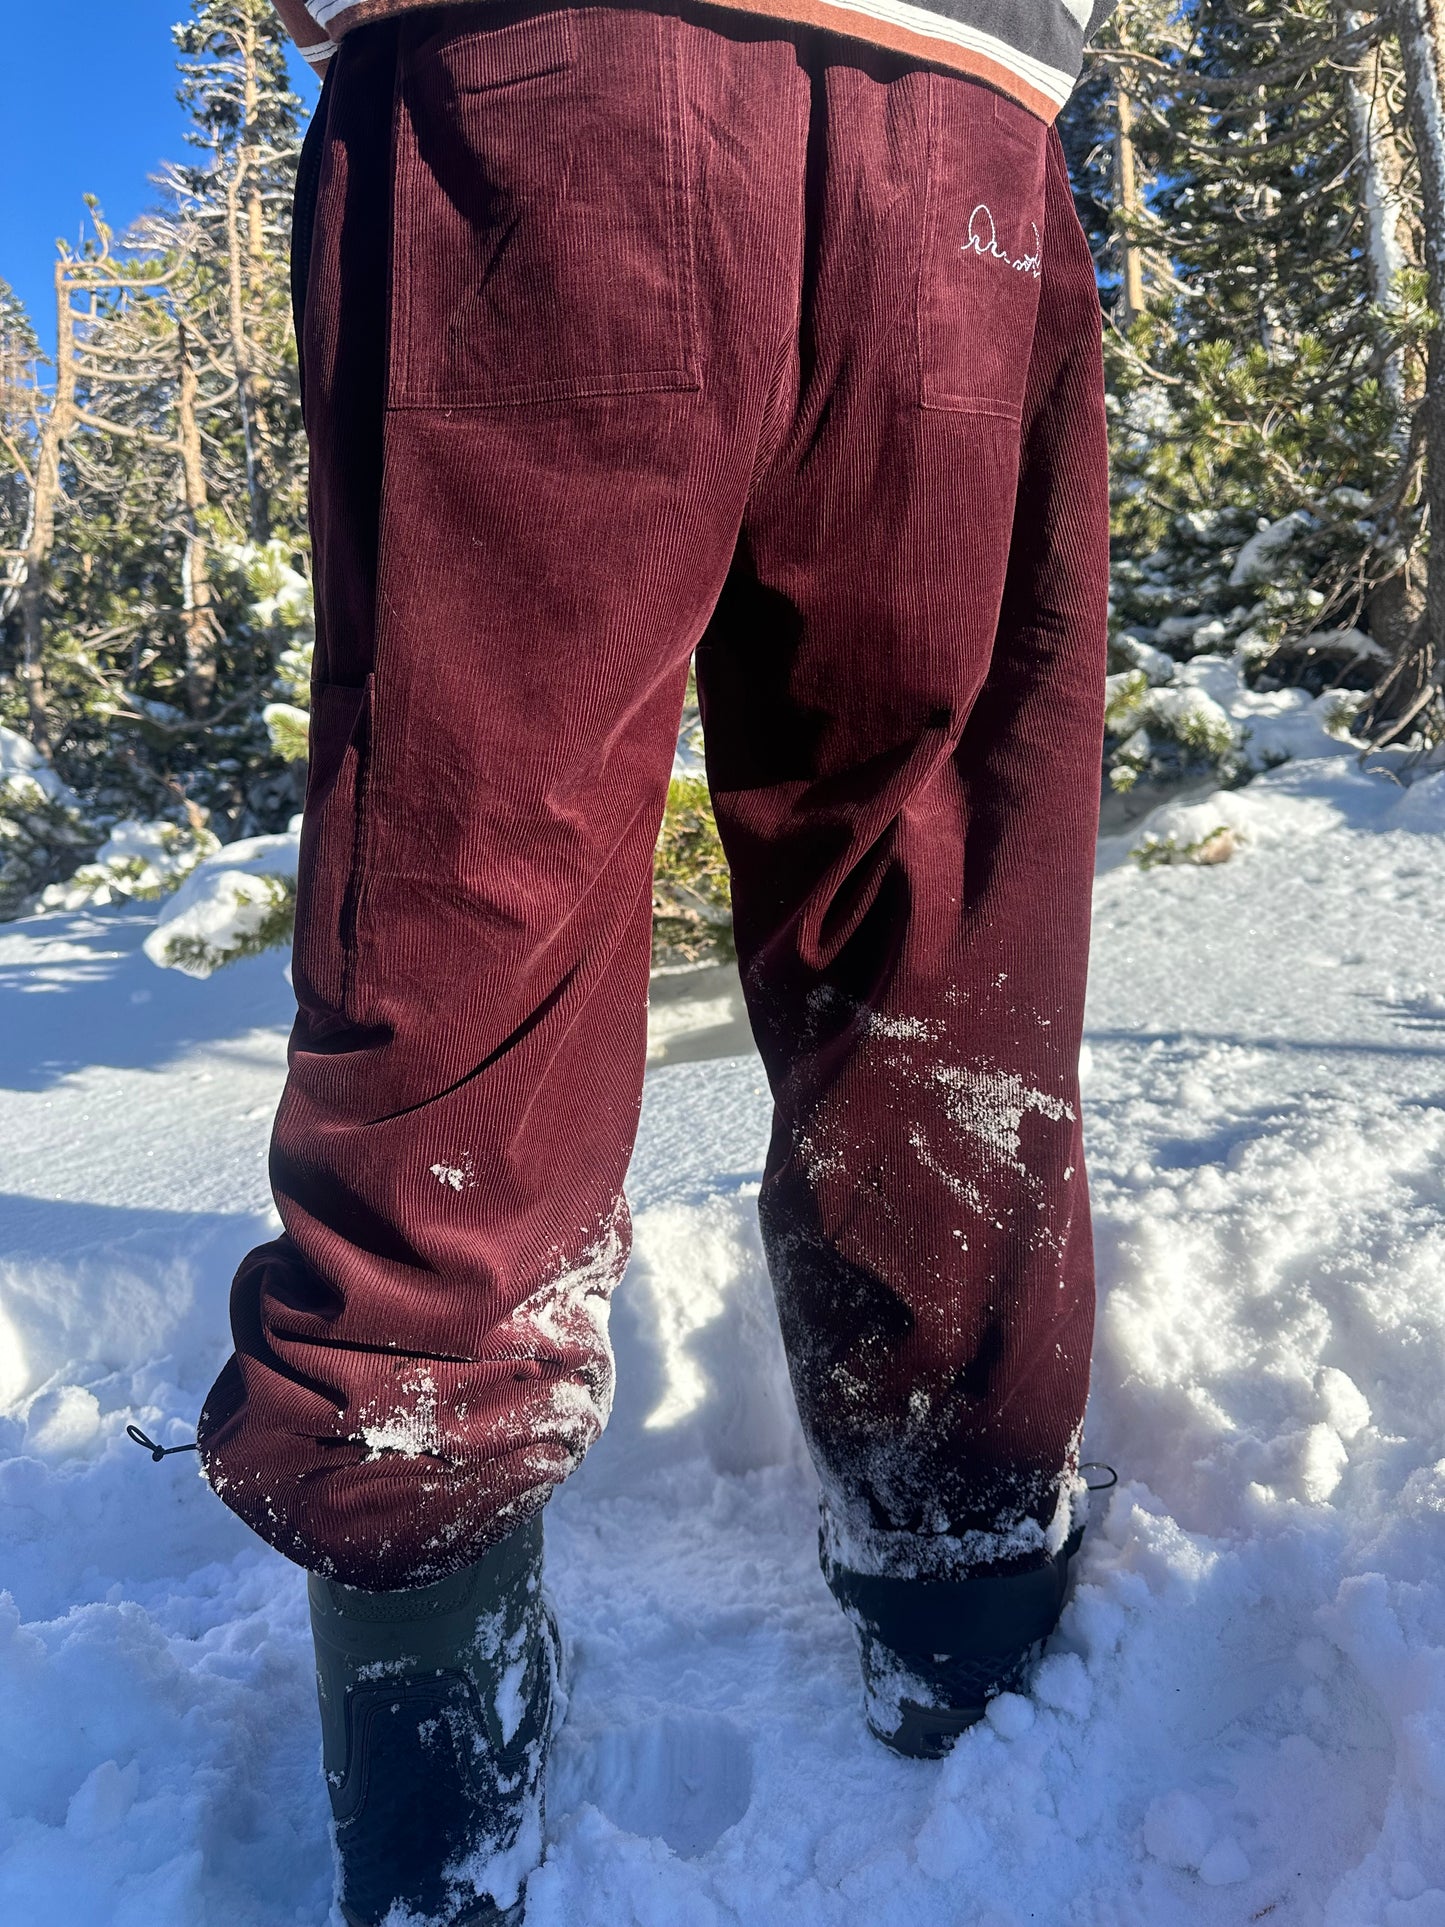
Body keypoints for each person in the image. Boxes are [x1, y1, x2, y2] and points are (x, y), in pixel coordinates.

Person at [203, 0, 1114, 1918]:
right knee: (929, 882)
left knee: (475, 861)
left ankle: (434, 1739)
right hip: (959, 115)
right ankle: (965, 1590)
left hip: (544, 85)